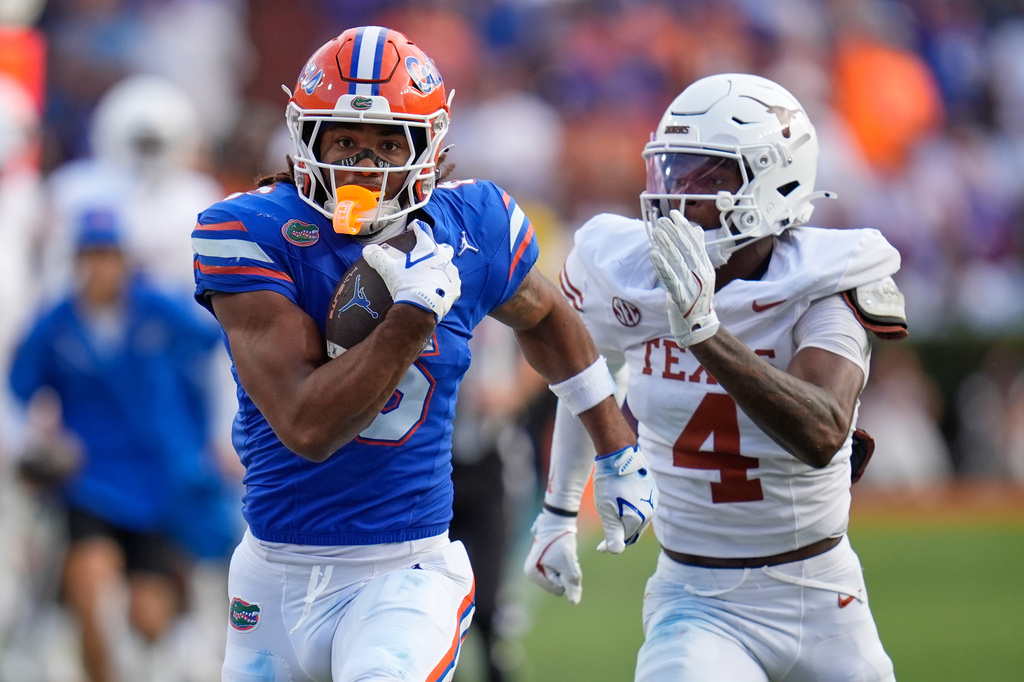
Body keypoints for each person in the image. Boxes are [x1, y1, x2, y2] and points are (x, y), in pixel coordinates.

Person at [190, 26, 657, 682]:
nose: (364, 163)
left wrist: (615, 445)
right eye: (345, 141)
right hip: (272, 576)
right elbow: (307, 427)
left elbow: (548, 317)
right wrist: (411, 318)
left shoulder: (473, 226)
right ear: (307, 141)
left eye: (388, 143)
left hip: (402, 574)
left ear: (429, 150)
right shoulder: (252, 232)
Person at [524, 73, 907, 681]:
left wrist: (705, 334)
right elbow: (585, 376)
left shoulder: (826, 281)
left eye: (707, 177)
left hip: (823, 590)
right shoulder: (626, 268)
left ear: (773, 179)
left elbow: (823, 431)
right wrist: (558, 511)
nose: (677, 196)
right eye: (671, 172)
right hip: (696, 597)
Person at [8, 209, 237, 682]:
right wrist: (38, 442)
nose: (101, 267)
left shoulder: (158, 308)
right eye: (91, 255)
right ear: (77, 261)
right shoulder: (58, 323)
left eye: (109, 255)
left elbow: (220, 349)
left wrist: (218, 436)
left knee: (148, 616)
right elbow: (19, 386)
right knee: (90, 583)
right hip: (90, 479)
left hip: (160, 479)